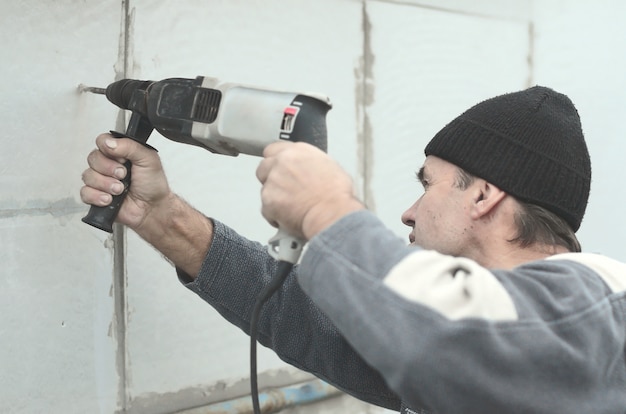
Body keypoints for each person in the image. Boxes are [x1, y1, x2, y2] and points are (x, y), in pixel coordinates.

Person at [81, 86, 626, 414]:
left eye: (428, 184)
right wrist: (159, 216)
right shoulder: (499, 338)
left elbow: (443, 335)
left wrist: (327, 210)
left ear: (483, 195)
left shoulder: (598, 306)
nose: (409, 212)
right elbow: (313, 324)